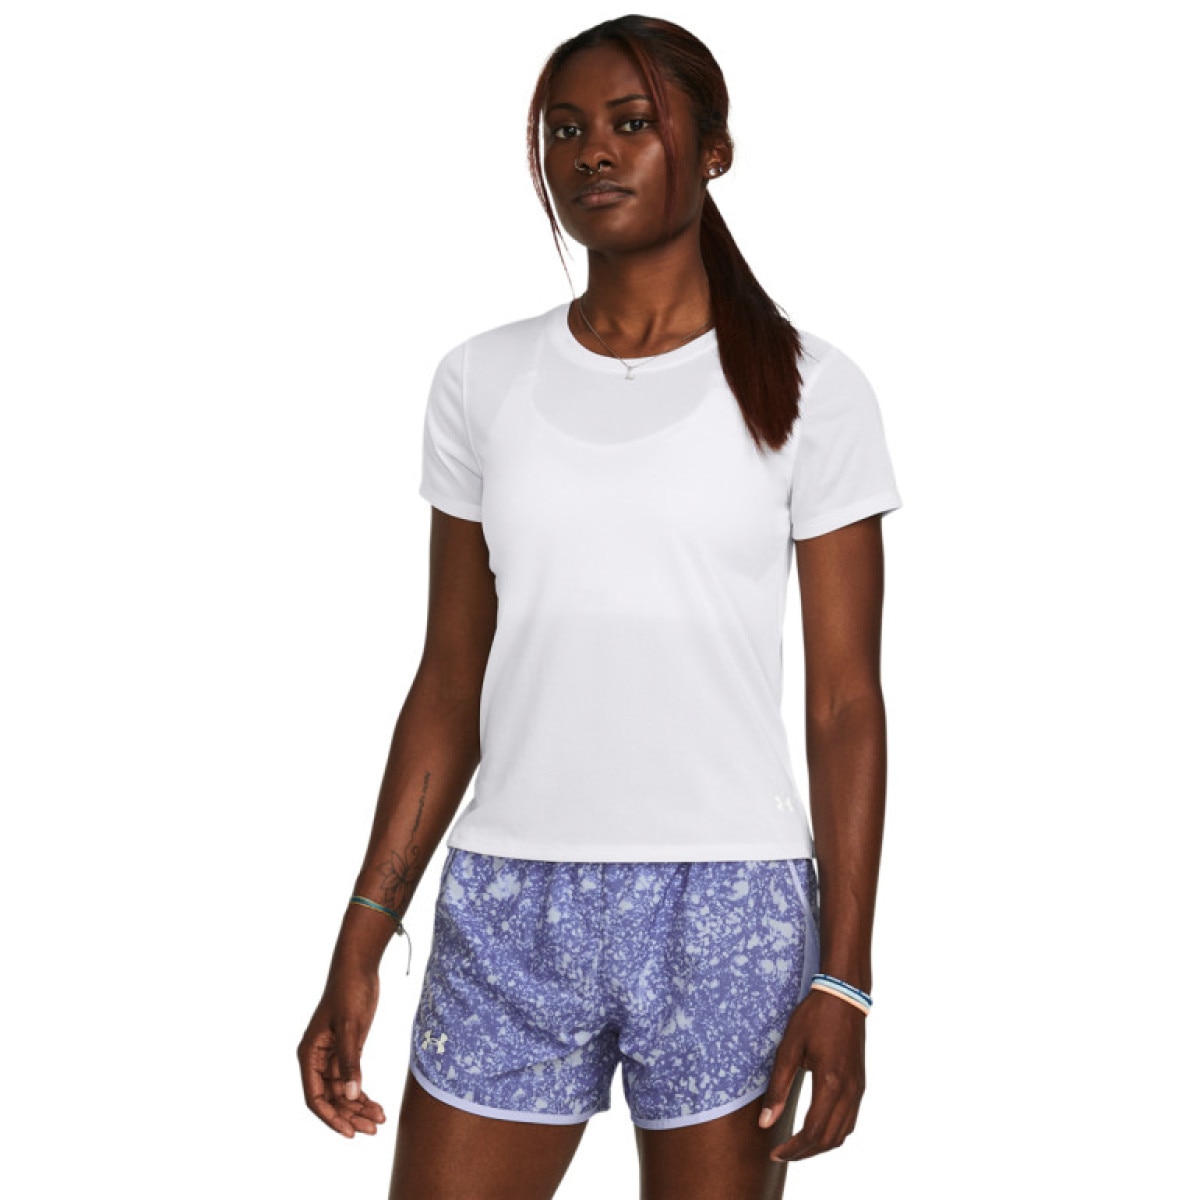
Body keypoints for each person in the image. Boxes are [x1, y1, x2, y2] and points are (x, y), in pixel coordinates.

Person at [298, 14, 901, 1199]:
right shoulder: (481, 380)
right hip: (509, 899)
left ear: (714, 150)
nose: (594, 153)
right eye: (565, 131)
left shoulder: (811, 390)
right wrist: (366, 927)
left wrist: (845, 978)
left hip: (728, 901)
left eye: (632, 124)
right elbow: (451, 679)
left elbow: (845, 704)